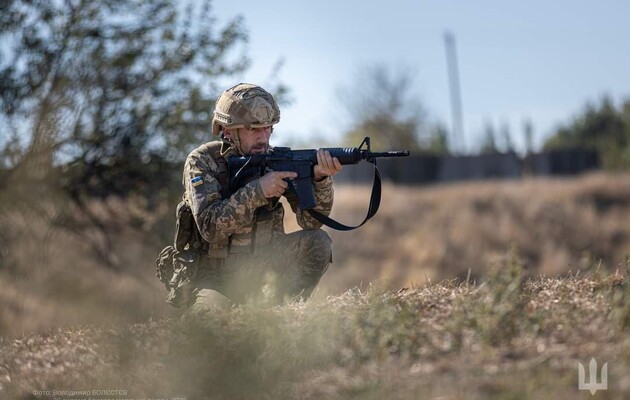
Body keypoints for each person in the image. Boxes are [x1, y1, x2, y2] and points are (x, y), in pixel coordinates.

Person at [179, 83, 342, 313]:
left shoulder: (275, 160)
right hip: (213, 276)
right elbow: (209, 227)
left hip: (262, 269)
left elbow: (311, 222)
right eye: (254, 129)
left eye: (268, 128)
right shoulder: (203, 161)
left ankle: (287, 312)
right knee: (210, 326)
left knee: (318, 241)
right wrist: (258, 191)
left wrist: (319, 180)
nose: (264, 137)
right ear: (228, 130)